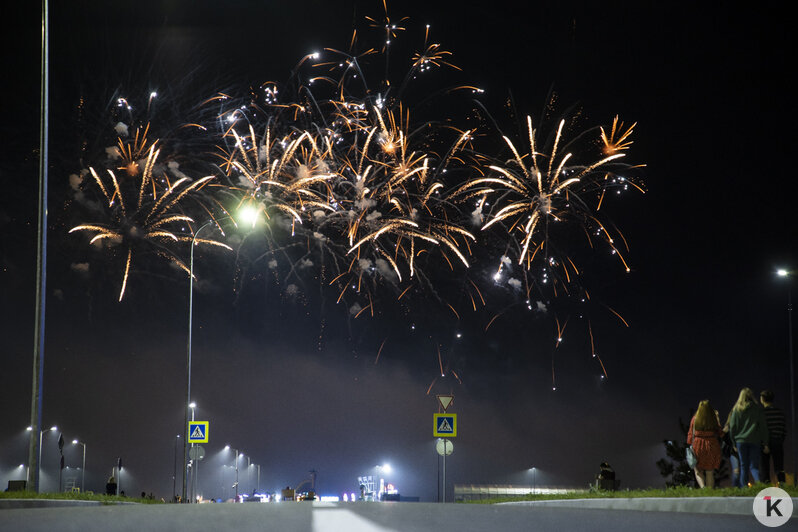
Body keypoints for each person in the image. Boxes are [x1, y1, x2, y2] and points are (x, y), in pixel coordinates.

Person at [728, 387, 769, 487]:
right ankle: (760, 486)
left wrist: (733, 443)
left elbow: (732, 428)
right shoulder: (757, 409)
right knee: (754, 466)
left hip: (740, 441)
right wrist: (766, 443)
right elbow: (763, 427)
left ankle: (744, 489)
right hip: (755, 440)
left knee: (743, 466)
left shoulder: (736, 410)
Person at [687, 400, 723, 488]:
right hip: (712, 444)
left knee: (698, 471)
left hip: (698, 445)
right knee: (709, 472)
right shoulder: (712, 419)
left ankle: (703, 488)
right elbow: (720, 432)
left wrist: (689, 443)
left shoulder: (695, 419)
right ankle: (709, 492)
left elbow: (690, 434)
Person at [760, 389, 787, 484]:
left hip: (765, 443)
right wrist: (780, 439)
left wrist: (764, 443)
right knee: (779, 467)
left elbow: (761, 430)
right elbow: (783, 429)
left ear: (762, 399)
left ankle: (765, 487)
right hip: (777, 441)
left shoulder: (761, 413)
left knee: (764, 468)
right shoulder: (780, 412)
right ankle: (783, 486)